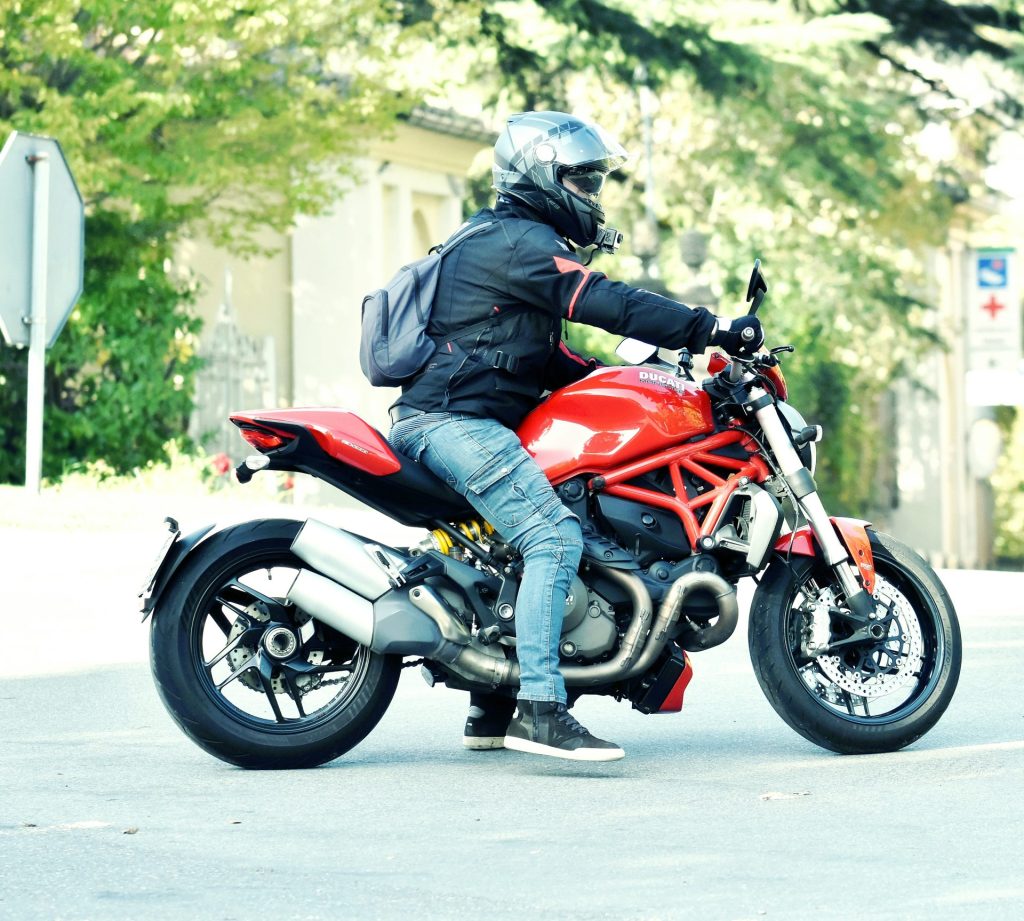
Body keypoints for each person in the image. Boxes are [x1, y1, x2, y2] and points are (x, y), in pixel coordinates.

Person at [387, 111, 763, 762]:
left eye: (594, 181)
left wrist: (629, 381)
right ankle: (540, 708)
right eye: (581, 180)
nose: (591, 195)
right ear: (539, 176)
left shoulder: (505, 240)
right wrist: (712, 327)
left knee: (544, 538)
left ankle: (492, 706)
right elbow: (603, 300)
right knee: (552, 540)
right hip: (453, 423)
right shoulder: (517, 244)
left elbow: (538, 358)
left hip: (459, 419)